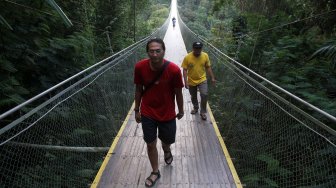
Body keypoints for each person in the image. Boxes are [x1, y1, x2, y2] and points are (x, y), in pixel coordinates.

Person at [134, 38, 184, 187]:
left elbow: (178, 93)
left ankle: (166, 149)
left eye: (158, 51)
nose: (154, 54)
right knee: (150, 143)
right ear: (147, 52)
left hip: (167, 112)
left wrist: (180, 110)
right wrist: (137, 109)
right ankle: (155, 171)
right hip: (148, 111)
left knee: (167, 141)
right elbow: (138, 89)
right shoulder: (140, 67)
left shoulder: (174, 70)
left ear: (163, 51)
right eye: (151, 51)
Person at [181, 41, 216, 120]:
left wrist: (212, 78)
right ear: (193, 48)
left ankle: (203, 112)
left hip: (202, 79)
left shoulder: (205, 55)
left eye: (199, 48)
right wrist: (185, 81)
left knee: (204, 94)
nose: (197, 50)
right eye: (196, 48)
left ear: (201, 49)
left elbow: (208, 67)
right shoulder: (187, 57)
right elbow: (185, 70)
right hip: (191, 80)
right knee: (193, 96)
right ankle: (196, 107)